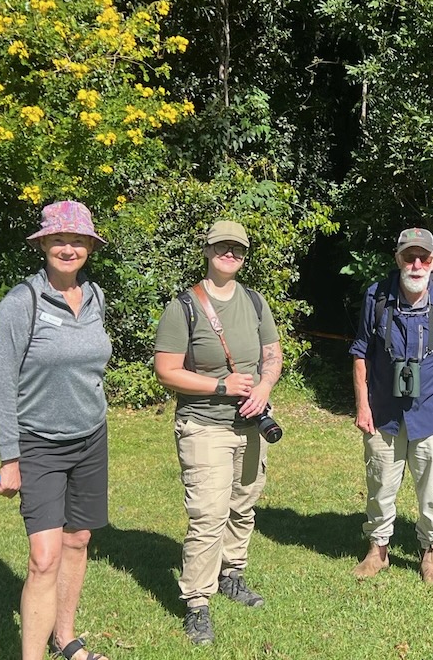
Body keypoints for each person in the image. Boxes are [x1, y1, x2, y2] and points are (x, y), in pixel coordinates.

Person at [0, 200, 112, 660]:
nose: (68, 248)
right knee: (44, 558)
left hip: (91, 437)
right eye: (59, 239)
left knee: (77, 540)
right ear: (42, 244)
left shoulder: (95, 296)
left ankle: (66, 639)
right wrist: (10, 457)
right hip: (38, 443)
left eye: (77, 240)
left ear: (89, 248)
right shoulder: (22, 303)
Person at [154, 220, 283, 646]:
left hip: (251, 424)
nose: (231, 253)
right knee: (208, 515)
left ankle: (233, 575)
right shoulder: (184, 306)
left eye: (239, 249)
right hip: (204, 424)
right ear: (207, 250)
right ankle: (197, 603)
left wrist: (263, 387)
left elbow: (272, 355)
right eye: (223, 246)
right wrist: (221, 386)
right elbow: (166, 370)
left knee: (243, 505)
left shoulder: (254, 301)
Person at [350, 228, 433, 584]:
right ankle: (378, 550)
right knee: (380, 484)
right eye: (409, 257)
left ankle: (430, 554)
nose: (416, 264)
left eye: (424, 258)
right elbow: (360, 353)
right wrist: (362, 405)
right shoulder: (377, 296)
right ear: (397, 258)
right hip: (383, 412)